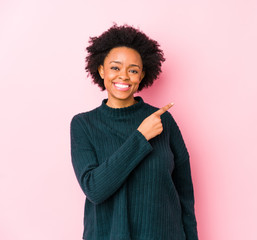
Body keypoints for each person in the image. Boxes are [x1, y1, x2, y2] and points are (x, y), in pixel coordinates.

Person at [70, 24, 198, 240]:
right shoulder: (84, 124)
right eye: (115, 67)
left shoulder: (162, 120)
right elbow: (95, 190)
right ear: (101, 70)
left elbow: (184, 194)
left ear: (142, 75)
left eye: (133, 70)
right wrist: (140, 138)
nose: (124, 76)